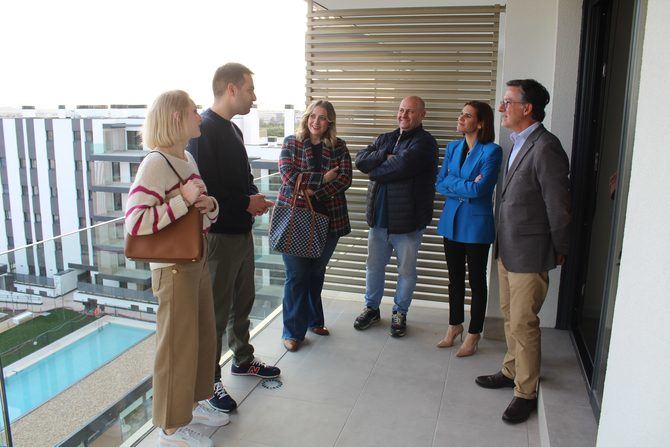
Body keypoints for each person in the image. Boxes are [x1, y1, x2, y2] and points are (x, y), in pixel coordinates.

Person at [125, 90, 226, 447]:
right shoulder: (155, 163)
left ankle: (193, 406)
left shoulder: (185, 158)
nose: (199, 116)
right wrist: (184, 200)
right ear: (175, 119)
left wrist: (208, 204)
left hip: (194, 260)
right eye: (193, 111)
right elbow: (135, 222)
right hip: (172, 268)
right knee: (175, 347)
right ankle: (170, 425)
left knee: (201, 338)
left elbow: (201, 214)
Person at [475, 79, 571, 424]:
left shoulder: (546, 147)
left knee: (524, 323)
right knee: (509, 318)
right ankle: (511, 370)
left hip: (530, 252)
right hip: (508, 248)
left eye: (507, 102)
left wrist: (560, 248)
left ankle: (525, 392)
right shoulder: (516, 142)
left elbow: (558, 206)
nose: (501, 108)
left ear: (526, 108)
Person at [187, 63, 280, 414]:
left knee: (243, 302)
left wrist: (253, 198)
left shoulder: (233, 131)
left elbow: (240, 179)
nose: (254, 97)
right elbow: (204, 192)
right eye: (249, 89)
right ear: (230, 88)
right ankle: (209, 381)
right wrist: (245, 202)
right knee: (214, 312)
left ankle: (243, 359)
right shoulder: (204, 132)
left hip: (240, 233)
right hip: (219, 238)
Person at [354, 96, 438, 337]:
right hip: (378, 220)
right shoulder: (385, 138)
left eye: (410, 111)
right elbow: (361, 160)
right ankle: (371, 308)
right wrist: (384, 156)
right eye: (401, 110)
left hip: (408, 223)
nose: (404, 115)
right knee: (373, 267)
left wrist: (376, 169)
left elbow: (400, 167)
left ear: (423, 114)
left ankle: (400, 312)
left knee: (406, 271)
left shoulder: (425, 143)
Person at [277, 100, 352, 352]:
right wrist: (323, 178)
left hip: (330, 220)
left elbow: (344, 179)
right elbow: (288, 177)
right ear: (306, 117)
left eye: (322, 118)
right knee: (297, 276)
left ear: (329, 121)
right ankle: (292, 332)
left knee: (316, 273)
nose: (315, 122)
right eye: (312, 116)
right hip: (296, 219)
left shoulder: (338, 146)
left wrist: (311, 189)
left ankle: (313, 320)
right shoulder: (291, 142)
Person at [435, 101, 502, 356]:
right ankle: (455, 326)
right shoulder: (453, 147)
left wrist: (457, 185)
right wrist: (464, 184)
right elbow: (439, 183)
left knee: (476, 280)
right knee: (454, 280)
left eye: (467, 115)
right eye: (461, 114)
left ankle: (474, 333)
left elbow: (481, 189)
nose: (461, 118)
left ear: (481, 122)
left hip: (476, 224)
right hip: (451, 220)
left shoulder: (491, 151)